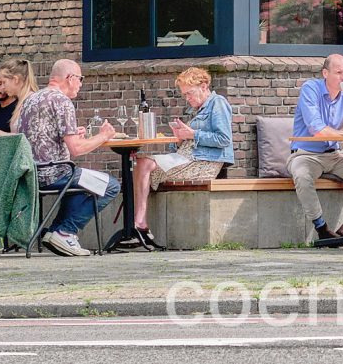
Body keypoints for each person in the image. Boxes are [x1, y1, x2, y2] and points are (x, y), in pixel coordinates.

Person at [13, 58, 120, 257]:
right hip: (56, 173)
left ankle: (54, 233)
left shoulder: (31, 99)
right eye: (80, 79)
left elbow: (41, 136)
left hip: (31, 173)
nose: (80, 84)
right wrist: (103, 136)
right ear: (70, 78)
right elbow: (77, 150)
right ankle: (65, 231)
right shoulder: (62, 101)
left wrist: (70, 133)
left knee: (84, 186)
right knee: (110, 185)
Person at [128, 66, 234, 250]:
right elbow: (185, 143)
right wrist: (178, 139)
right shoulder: (196, 109)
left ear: (204, 85)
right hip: (185, 157)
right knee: (139, 163)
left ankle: (139, 224)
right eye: (185, 95)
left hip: (204, 162)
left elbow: (223, 139)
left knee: (143, 164)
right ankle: (139, 224)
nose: (188, 98)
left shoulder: (218, 103)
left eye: (190, 93)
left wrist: (193, 134)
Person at [291, 53, 343, 243]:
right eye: (338, 72)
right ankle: (322, 228)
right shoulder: (311, 88)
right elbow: (317, 129)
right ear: (325, 73)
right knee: (302, 175)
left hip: (335, 156)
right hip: (306, 153)